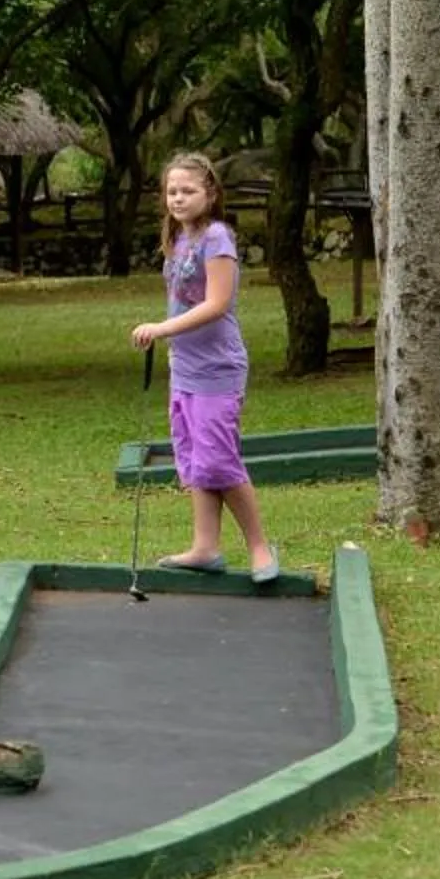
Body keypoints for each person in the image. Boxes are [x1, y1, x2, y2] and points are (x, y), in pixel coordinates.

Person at [129, 151, 278, 582]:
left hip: (218, 368)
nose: (178, 198)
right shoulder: (177, 240)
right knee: (194, 461)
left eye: (188, 190)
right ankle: (205, 547)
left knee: (220, 461)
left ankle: (259, 548)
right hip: (185, 368)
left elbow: (217, 304)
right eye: (172, 191)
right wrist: (168, 338)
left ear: (210, 194)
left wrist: (160, 328)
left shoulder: (217, 238)